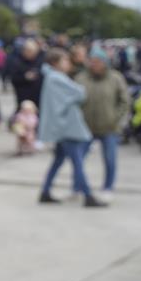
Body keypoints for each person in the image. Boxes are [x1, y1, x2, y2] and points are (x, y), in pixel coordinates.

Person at [38, 48, 106, 207]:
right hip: (67, 127)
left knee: (59, 160)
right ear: (55, 63)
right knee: (77, 162)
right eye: (65, 60)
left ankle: (45, 191)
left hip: (63, 127)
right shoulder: (56, 78)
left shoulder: (52, 77)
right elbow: (80, 92)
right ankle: (88, 195)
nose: (68, 63)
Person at [75, 47, 131, 201]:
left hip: (109, 127)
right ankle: (77, 187)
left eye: (98, 61)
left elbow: (125, 101)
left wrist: (117, 118)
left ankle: (108, 187)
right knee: (78, 159)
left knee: (110, 159)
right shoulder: (81, 78)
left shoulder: (115, 78)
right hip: (86, 128)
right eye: (92, 61)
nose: (94, 64)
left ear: (105, 63)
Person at [8, 39, 44, 114]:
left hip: (38, 98)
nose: (31, 54)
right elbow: (13, 79)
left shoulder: (40, 60)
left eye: (33, 52)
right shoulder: (17, 61)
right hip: (23, 97)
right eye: (29, 51)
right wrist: (25, 77)